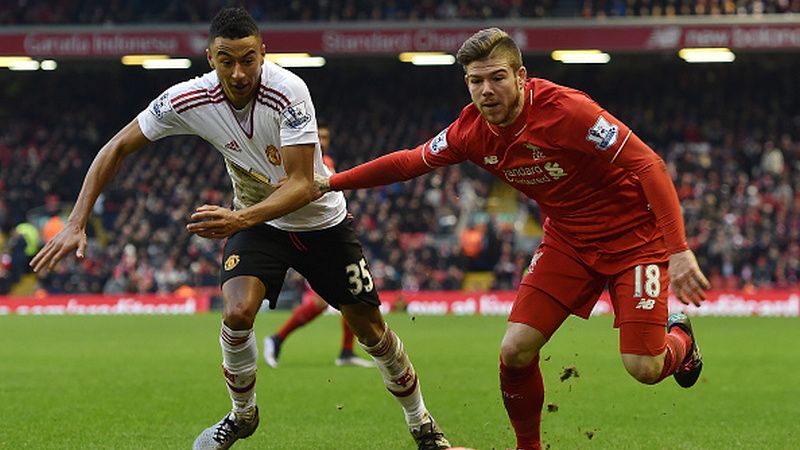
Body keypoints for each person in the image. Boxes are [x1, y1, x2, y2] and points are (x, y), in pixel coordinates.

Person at [29, 7, 450, 450]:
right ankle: (242, 415)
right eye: (226, 59)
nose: (239, 71)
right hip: (258, 225)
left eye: (248, 59)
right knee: (236, 314)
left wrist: (239, 219)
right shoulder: (187, 99)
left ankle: (422, 424)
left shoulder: (289, 90)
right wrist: (77, 221)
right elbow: (116, 147)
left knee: (372, 332)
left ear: (263, 54)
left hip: (321, 223)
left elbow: (304, 184)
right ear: (210, 58)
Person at [315, 28, 711, 450]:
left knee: (644, 367)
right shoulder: (469, 131)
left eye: (497, 78)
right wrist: (330, 183)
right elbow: (410, 162)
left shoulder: (569, 111)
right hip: (568, 244)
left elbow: (649, 165)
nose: (486, 90)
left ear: (521, 76)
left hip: (635, 243)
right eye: (475, 81)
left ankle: (681, 340)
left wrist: (679, 249)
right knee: (515, 350)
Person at [263, 121, 375, 369]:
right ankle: (277, 338)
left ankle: (345, 351)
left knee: (348, 293)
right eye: (318, 136)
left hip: (328, 235)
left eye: (325, 137)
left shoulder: (327, 162)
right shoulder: (293, 161)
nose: (322, 141)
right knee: (328, 299)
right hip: (303, 237)